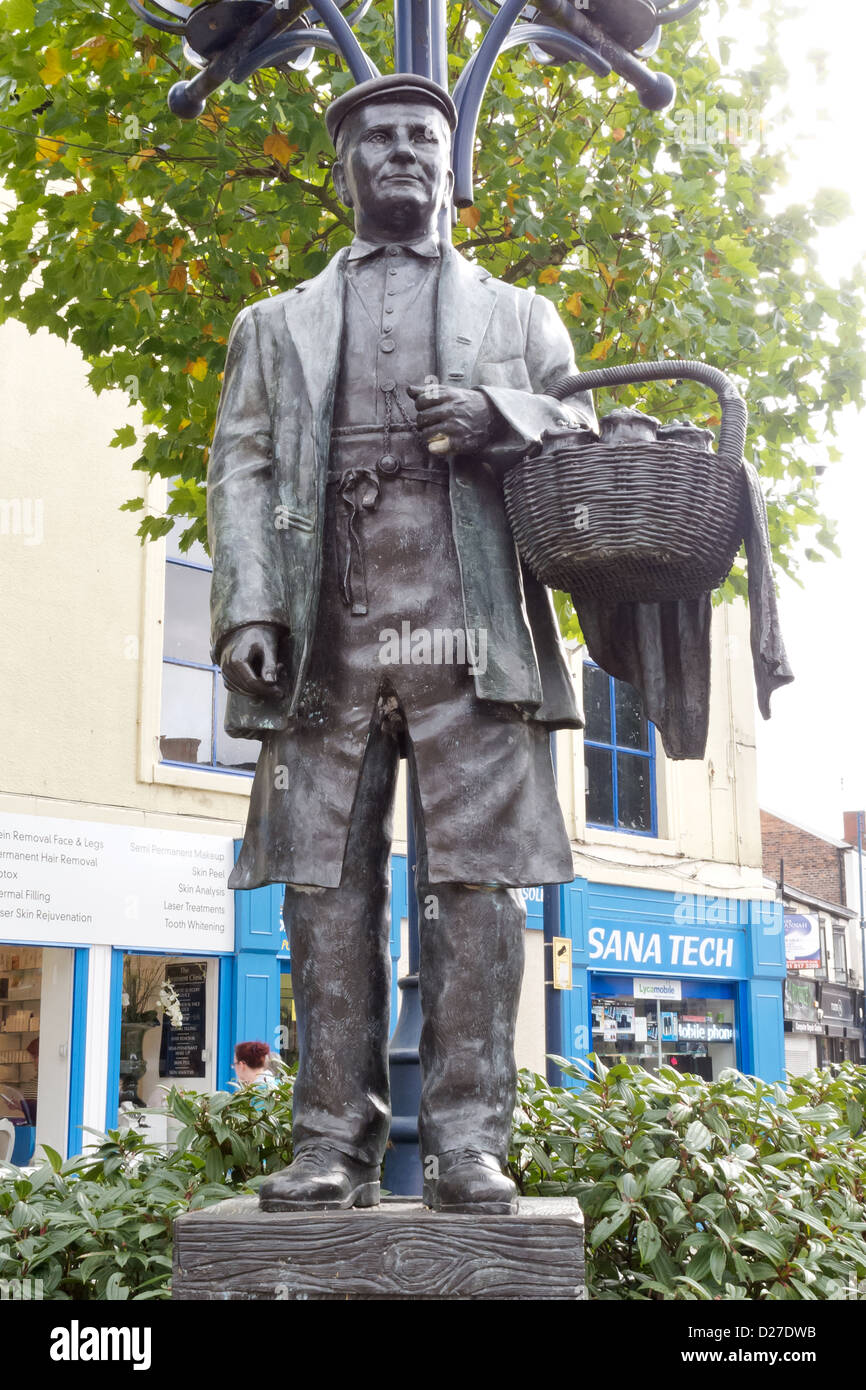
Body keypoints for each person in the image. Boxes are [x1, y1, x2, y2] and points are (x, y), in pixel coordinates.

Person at [208, 73, 595, 1215]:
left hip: (471, 630)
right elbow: (241, 467)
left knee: (476, 891)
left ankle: (471, 1141)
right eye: (376, 137)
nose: (401, 152)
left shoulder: (519, 319)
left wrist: (504, 415)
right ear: (343, 167)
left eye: (422, 136)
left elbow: (583, 425)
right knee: (323, 896)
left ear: (450, 162)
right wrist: (245, 609)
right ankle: (330, 1139)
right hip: (329, 634)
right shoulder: (272, 326)